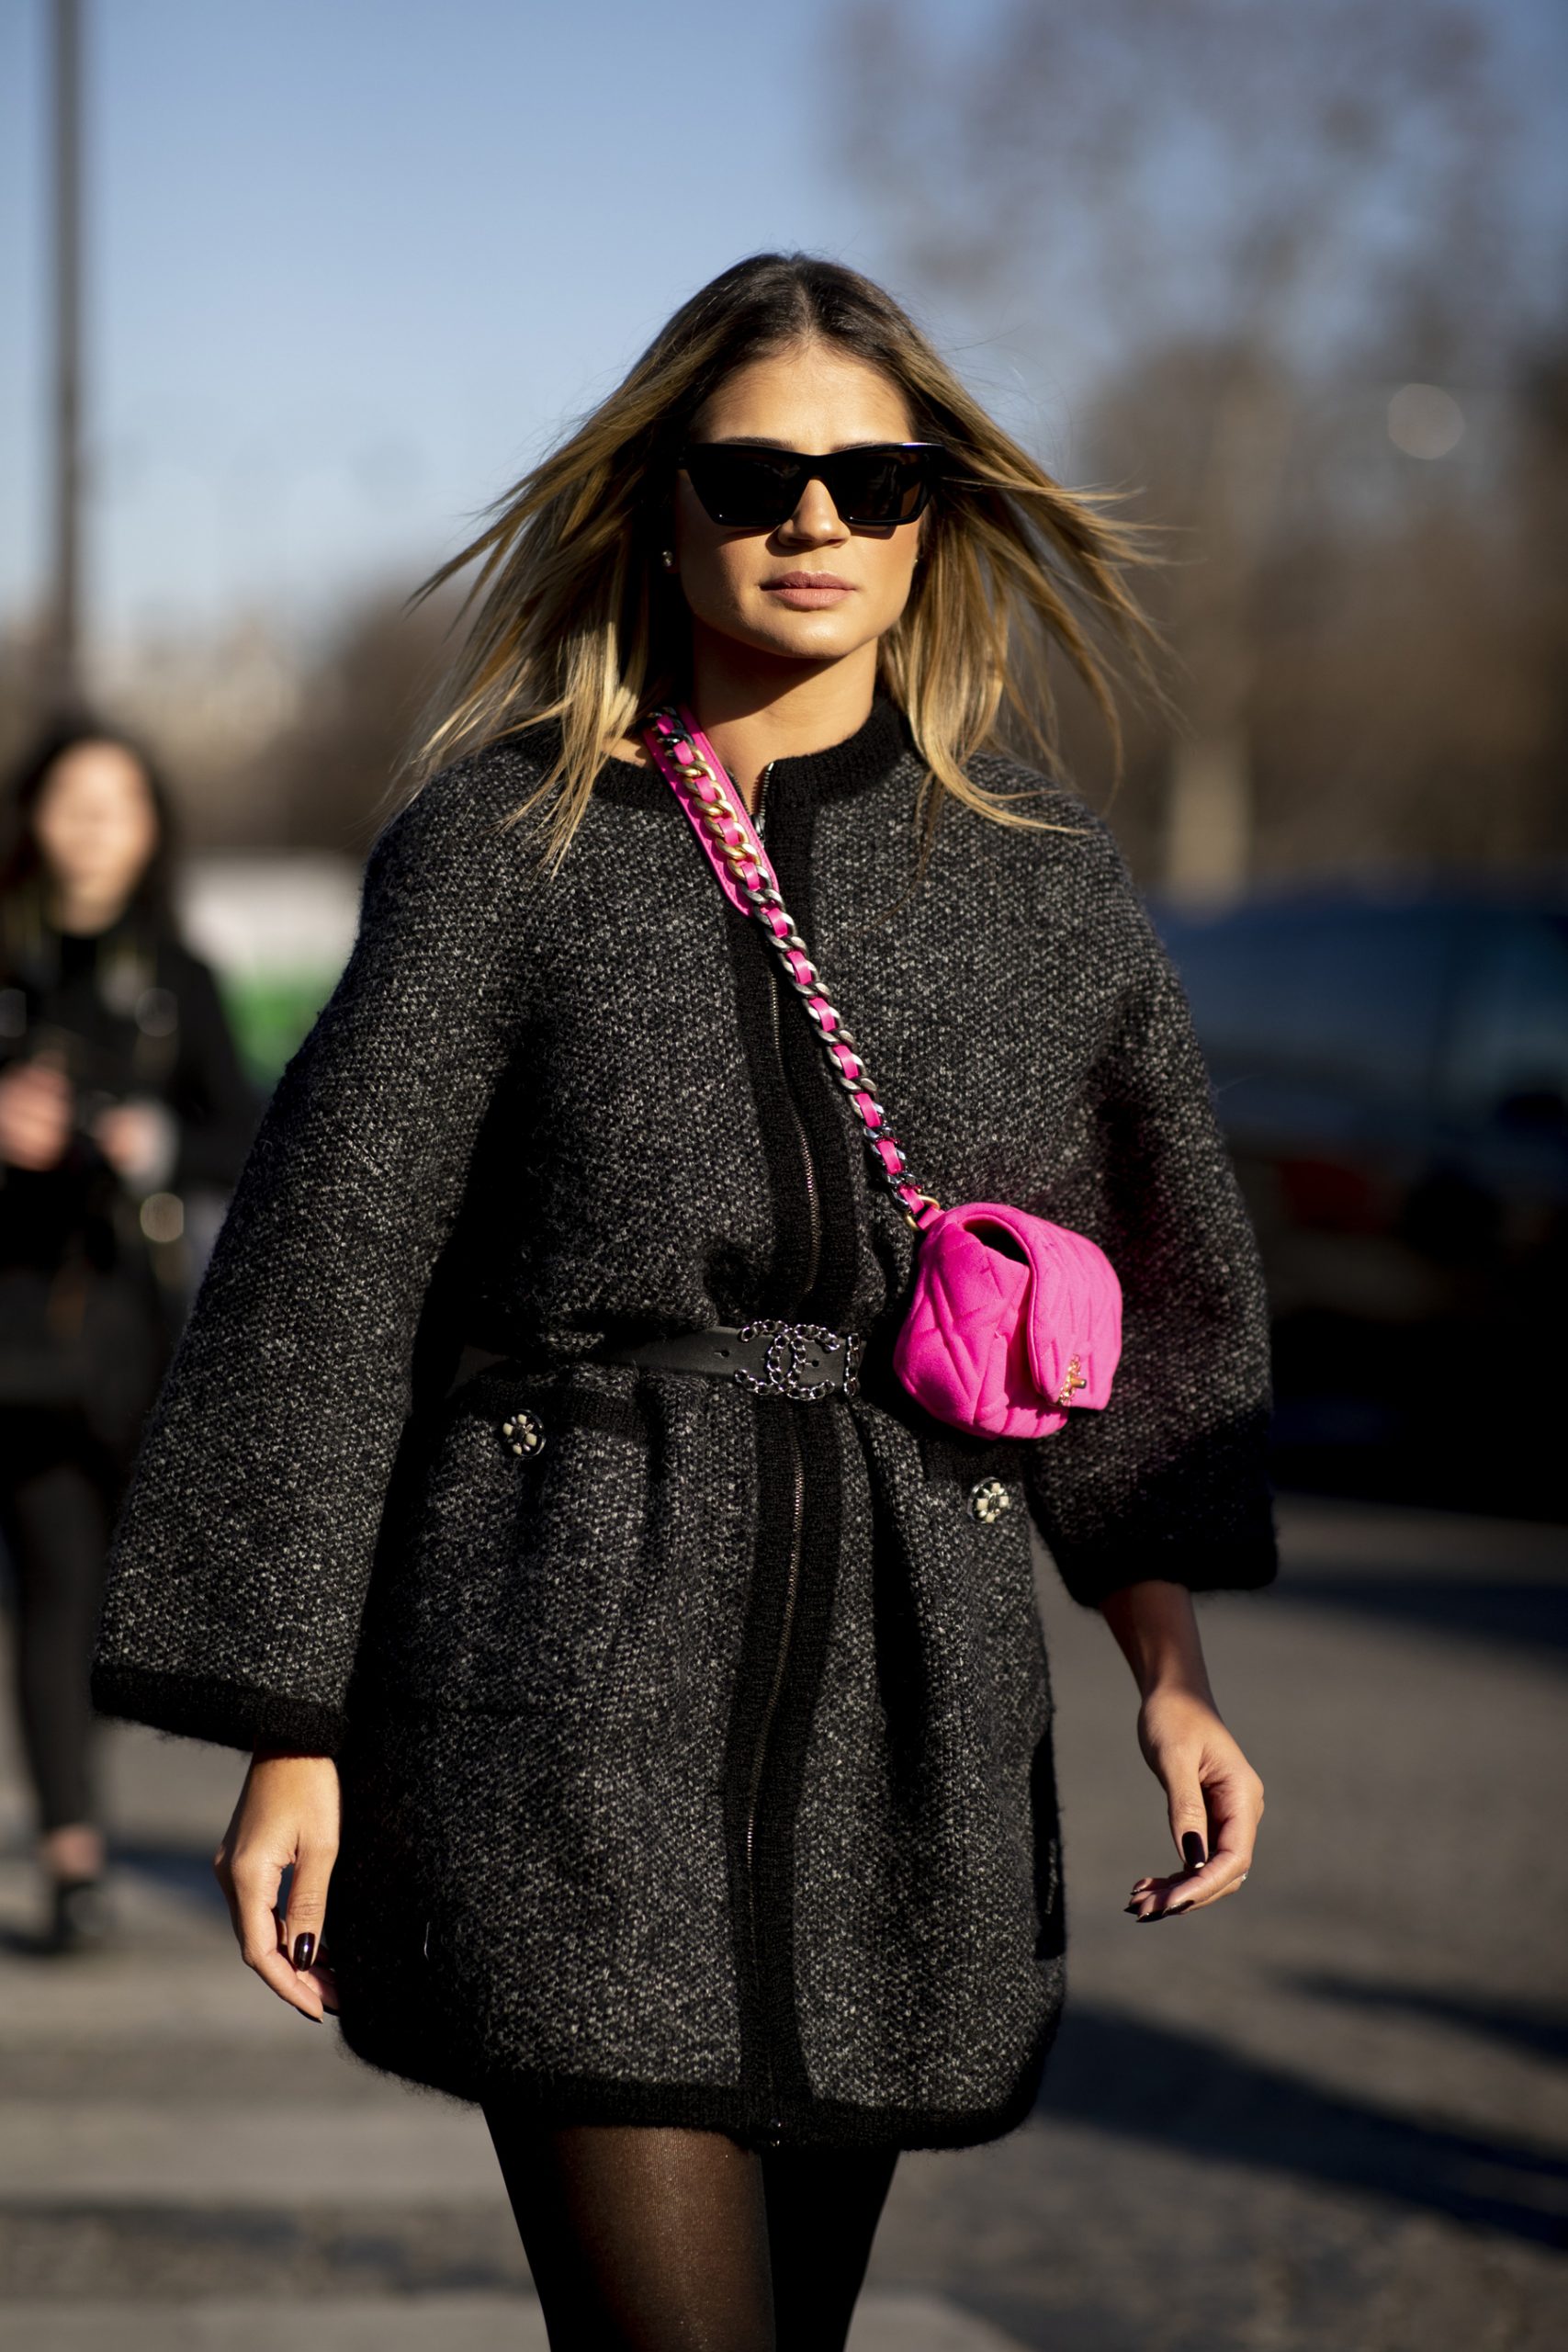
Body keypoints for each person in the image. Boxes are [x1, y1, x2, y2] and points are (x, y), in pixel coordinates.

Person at [89, 254, 1274, 2349]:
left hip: (907, 1701)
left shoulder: (1036, 877)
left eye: (872, 477)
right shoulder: (505, 836)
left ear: (935, 516)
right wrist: (286, 1728)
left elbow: (1151, 1296)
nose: (813, 521)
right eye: (754, 476)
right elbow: (329, 1269)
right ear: (660, 505)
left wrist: (1165, 1667)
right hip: (555, 1667)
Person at [0, 719, 258, 1953]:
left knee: (133, 1587)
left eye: (117, 804)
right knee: (53, 1581)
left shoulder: (179, 975)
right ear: (31, 820)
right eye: (69, 801)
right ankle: (75, 1856)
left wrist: (153, 1141)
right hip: (19, 1330)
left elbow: (245, 1134)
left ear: (151, 827)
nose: (92, 825)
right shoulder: (10, 964)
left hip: (142, 1329)